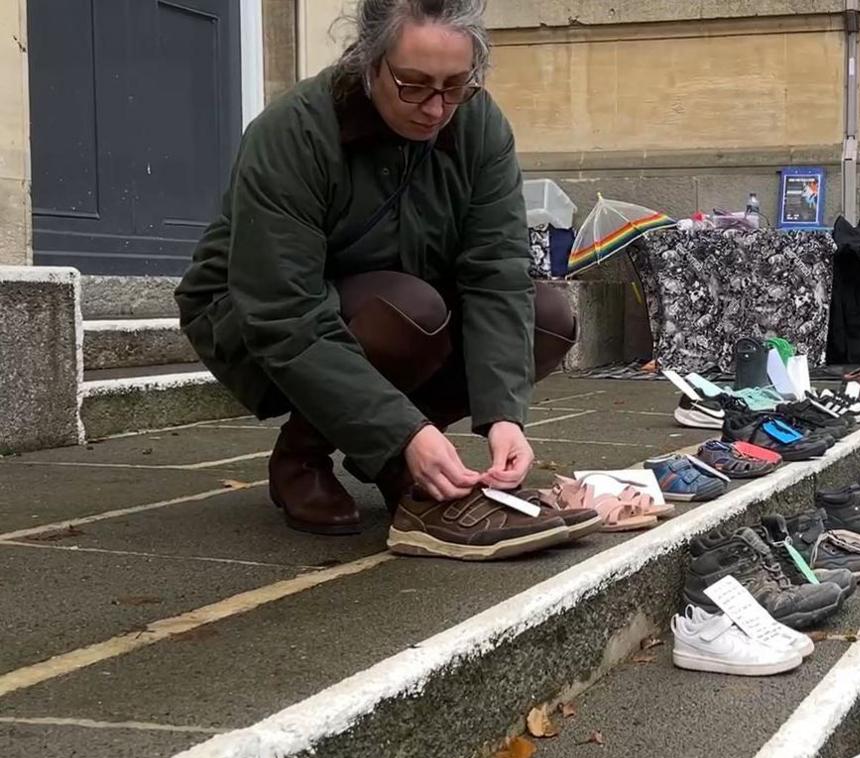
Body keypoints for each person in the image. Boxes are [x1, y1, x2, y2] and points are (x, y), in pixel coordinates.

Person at [174, 0, 581, 558]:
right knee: (409, 311)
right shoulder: (294, 131)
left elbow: (496, 274)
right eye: (413, 85)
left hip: (407, 305)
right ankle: (307, 455)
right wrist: (401, 433)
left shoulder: (479, 125)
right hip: (254, 315)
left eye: (455, 85)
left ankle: (405, 456)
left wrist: (504, 417)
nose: (436, 109)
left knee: (549, 318)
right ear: (369, 64)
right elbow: (283, 310)